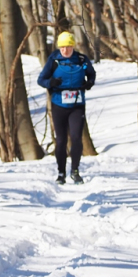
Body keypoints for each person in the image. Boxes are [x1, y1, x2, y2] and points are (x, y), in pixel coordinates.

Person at [37, 31, 96, 185]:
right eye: (62, 47)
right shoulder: (54, 60)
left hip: (77, 106)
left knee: (76, 138)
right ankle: (61, 172)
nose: (65, 50)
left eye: (68, 47)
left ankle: (75, 171)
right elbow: (41, 79)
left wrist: (89, 83)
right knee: (61, 140)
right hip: (59, 105)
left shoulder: (81, 60)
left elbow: (91, 73)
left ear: (73, 46)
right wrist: (51, 83)